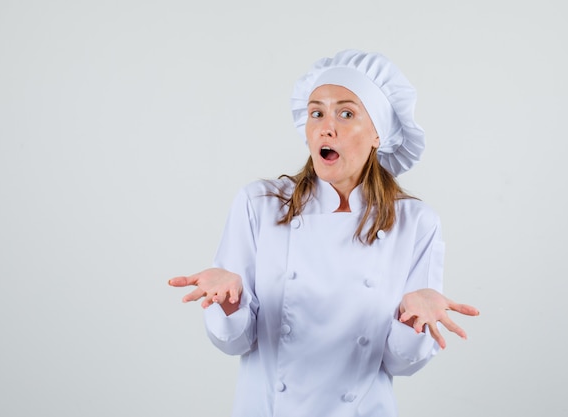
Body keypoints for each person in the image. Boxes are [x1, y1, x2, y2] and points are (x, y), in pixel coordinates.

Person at [169, 49, 479, 417]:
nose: (325, 126)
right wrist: (228, 303)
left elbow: (401, 364)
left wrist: (411, 323)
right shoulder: (259, 204)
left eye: (346, 113)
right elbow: (235, 342)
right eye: (316, 112)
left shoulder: (415, 222)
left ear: (379, 133)